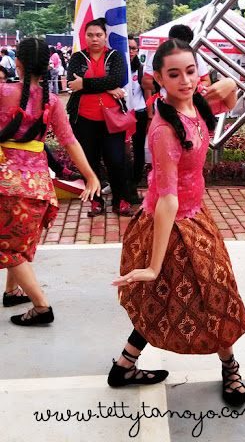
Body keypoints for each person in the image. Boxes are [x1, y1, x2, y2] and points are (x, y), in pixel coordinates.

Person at [110, 39, 245, 405]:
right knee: (212, 295)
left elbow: (231, 100)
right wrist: (154, 266)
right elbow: (167, 199)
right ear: (158, 78)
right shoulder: (163, 130)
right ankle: (230, 365)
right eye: (174, 74)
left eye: (190, 71)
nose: (185, 81)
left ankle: (124, 365)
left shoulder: (196, 104)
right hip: (169, 224)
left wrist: (232, 85)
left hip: (195, 216)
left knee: (168, 299)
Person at [0, 38, 100, 325]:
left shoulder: (3, 92)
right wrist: (90, 175)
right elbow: (70, 142)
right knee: (16, 239)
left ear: (16, 62)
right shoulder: (52, 100)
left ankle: (42, 307)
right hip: (39, 187)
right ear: (47, 67)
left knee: (8, 245)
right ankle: (11, 291)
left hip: (6, 185)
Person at [66, 18, 133, 217]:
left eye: (98, 35)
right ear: (84, 37)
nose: (94, 39)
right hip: (84, 119)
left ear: (105, 37)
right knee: (90, 161)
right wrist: (107, 87)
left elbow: (117, 79)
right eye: (90, 35)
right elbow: (72, 82)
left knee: (116, 160)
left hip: (112, 119)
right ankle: (96, 202)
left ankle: (121, 200)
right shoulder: (77, 58)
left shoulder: (115, 56)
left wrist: (85, 84)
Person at [141, 24, 211, 92]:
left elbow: (206, 81)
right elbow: (146, 82)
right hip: (164, 102)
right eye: (173, 75)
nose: (184, 80)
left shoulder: (195, 57)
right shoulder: (157, 56)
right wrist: (170, 85)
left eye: (190, 72)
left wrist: (193, 88)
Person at [127, 35, 150, 199]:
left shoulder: (140, 69)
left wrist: (150, 117)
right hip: (121, 116)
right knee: (122, 151)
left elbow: (147, 93)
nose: (131, 51)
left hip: (140, 114)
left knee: (139, 150)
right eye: (128, 48)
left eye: (134, 48)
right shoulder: (116, 68)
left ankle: (133, 184)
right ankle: (123, 185)